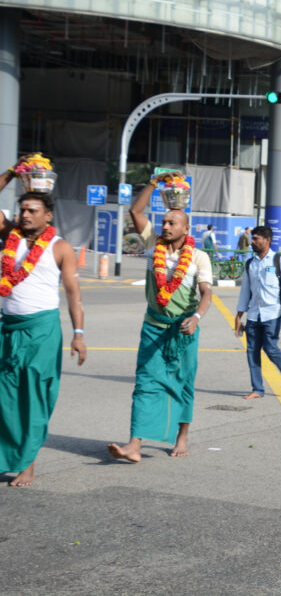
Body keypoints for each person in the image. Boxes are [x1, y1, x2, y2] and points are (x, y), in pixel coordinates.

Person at [108, 172, 213, 462]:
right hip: (153, 326)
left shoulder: (199, 257)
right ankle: (134, 445)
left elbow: (207, 294)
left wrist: (197, 318)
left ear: (186, 228)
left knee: (183, 382)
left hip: (183, 330)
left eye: (172, 223)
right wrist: (154, 182)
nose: (165, 226)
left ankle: (182, 435)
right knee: (145, 382)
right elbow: (135, 211)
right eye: (164, 222)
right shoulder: (153, 244)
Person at [0, 183, 87, 487]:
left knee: (34, 397)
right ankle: (8, 457)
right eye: (22, 209)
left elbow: (74, 294)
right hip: (8, 329)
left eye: (31, 210)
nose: (24, 214)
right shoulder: (9, 237)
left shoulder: (60, 247)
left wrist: (78, 333)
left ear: (48, 215)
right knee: (6, 398)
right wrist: (13, 172)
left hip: (41, 332)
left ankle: (28, 464)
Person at [234, 225, 281, 400]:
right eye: (252, 238)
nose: (252, 242)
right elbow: (245, 292)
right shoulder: (250, 264)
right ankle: (257, 389)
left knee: (270, 347)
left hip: (273, 313)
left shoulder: (279, 261)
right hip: (254, 314)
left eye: (256, 239)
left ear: (267, 240)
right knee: (252, 351)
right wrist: (239, 317)